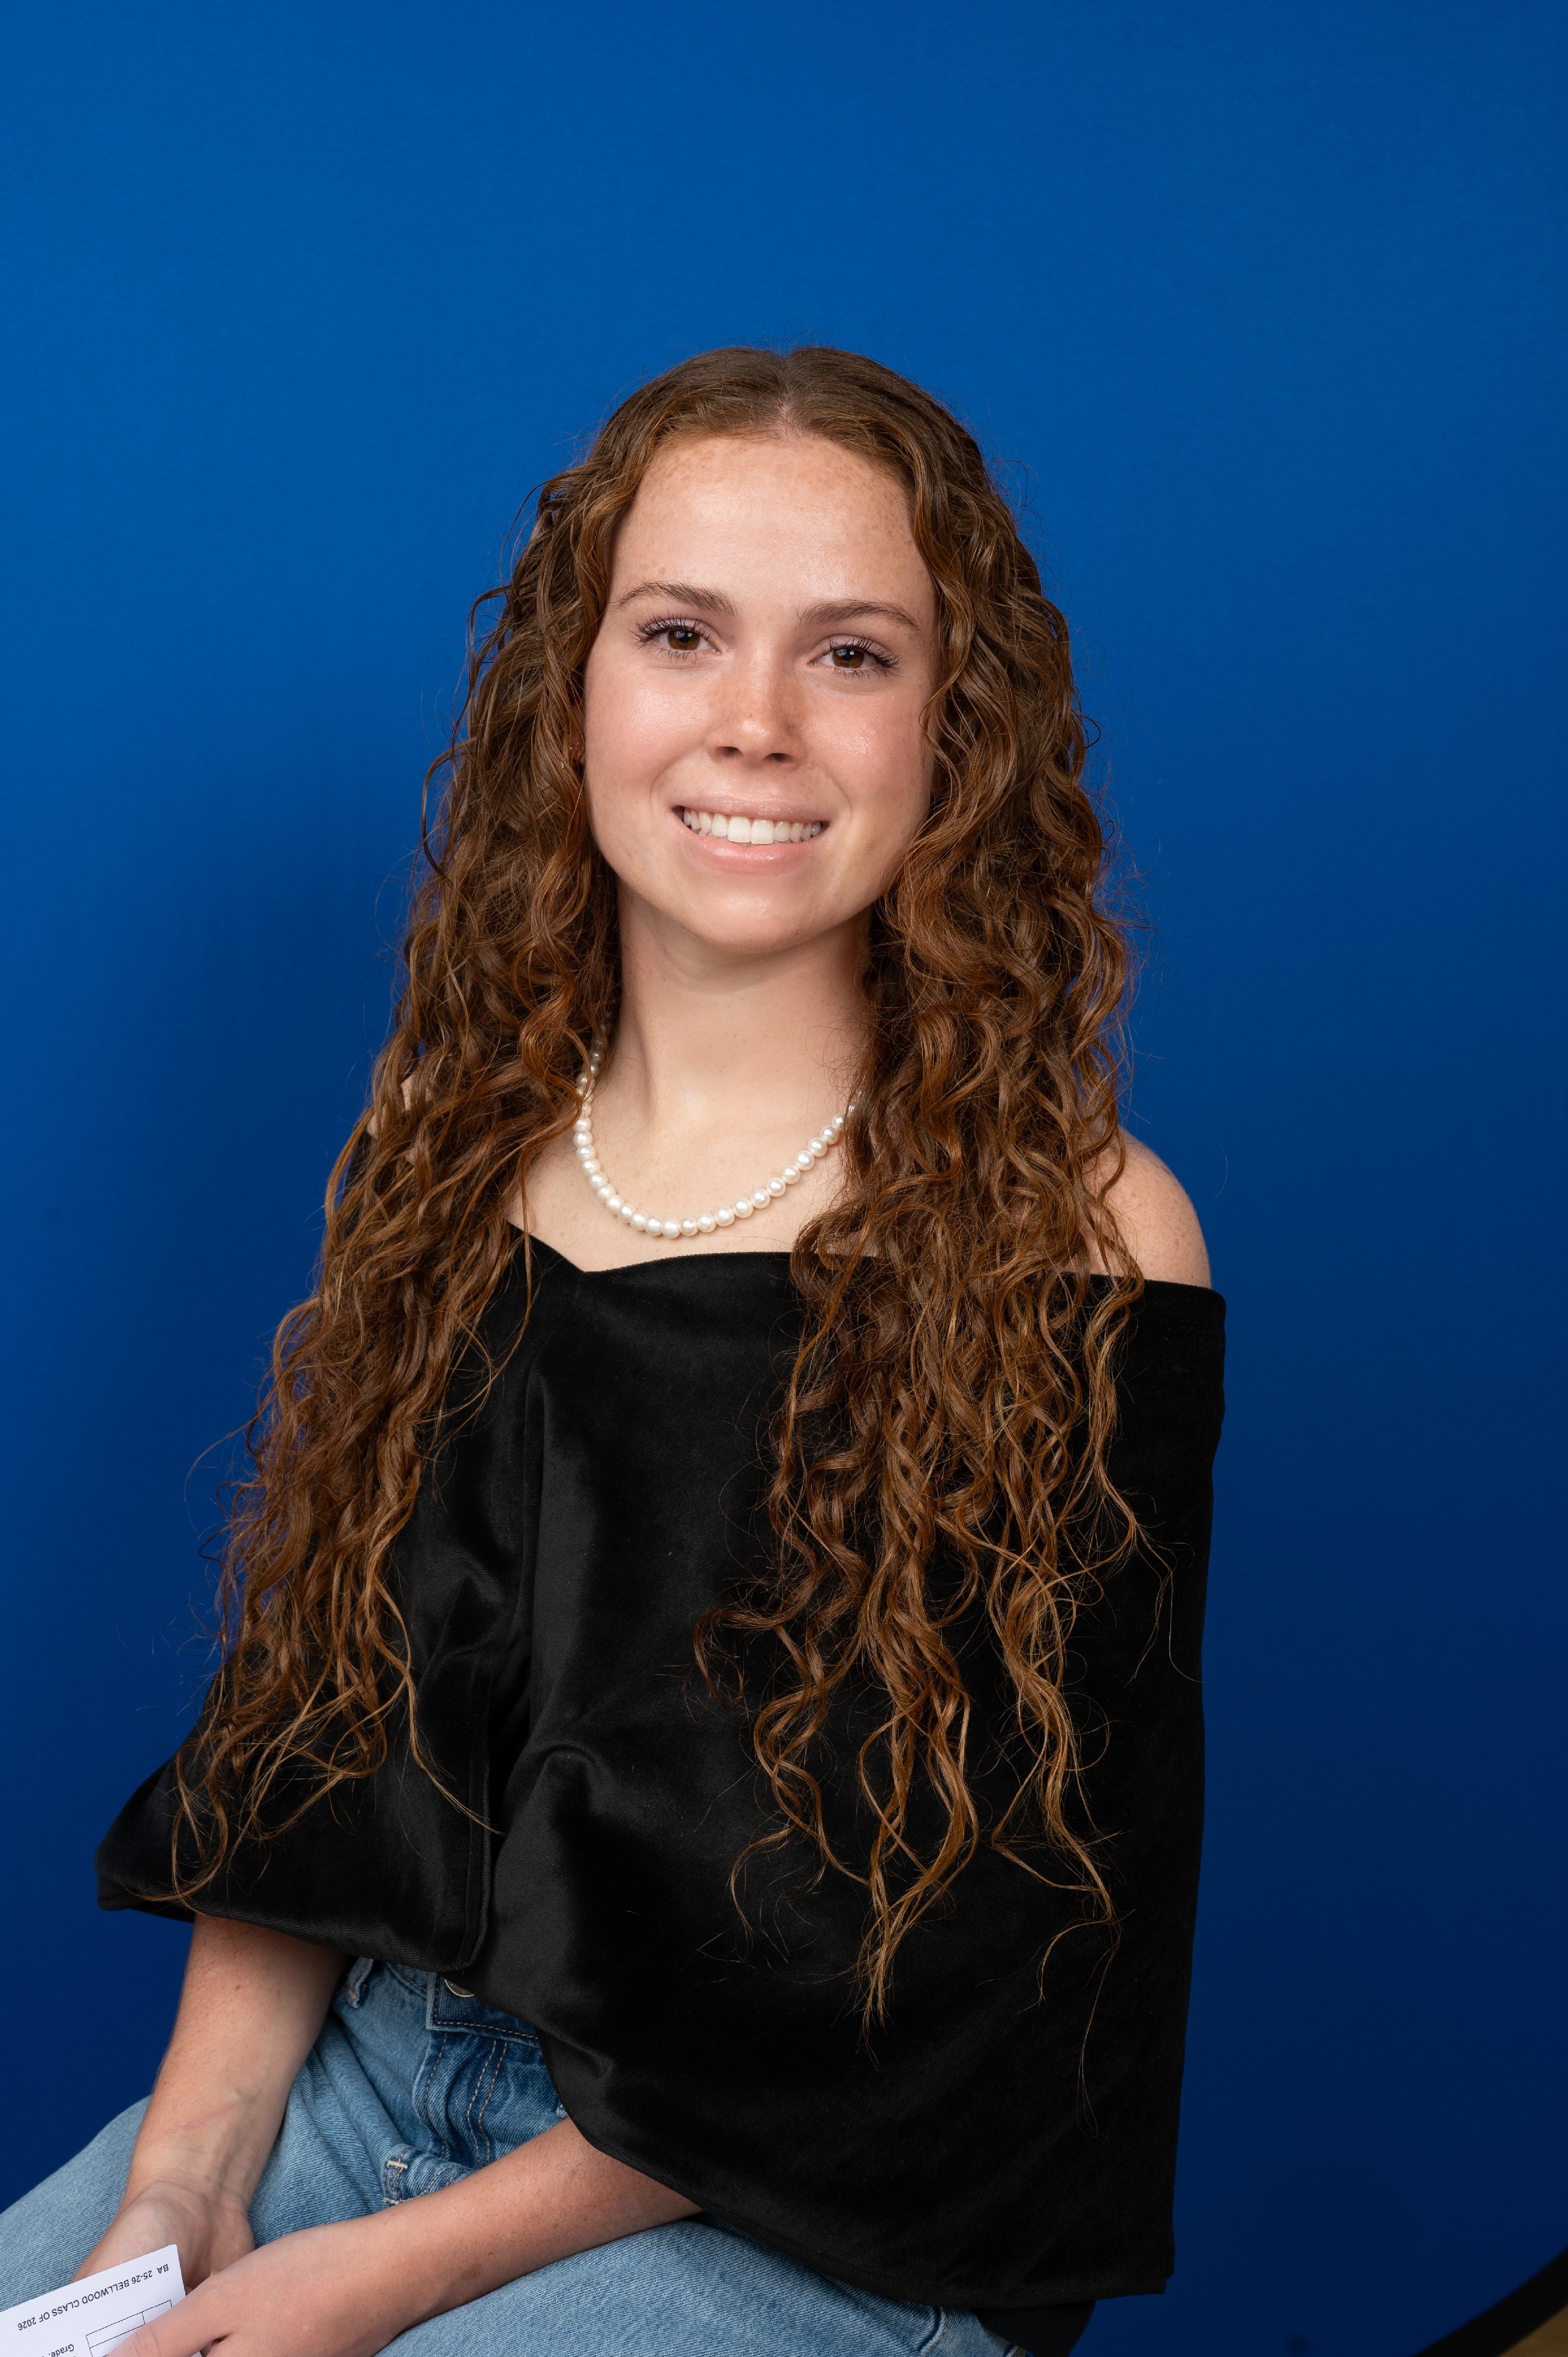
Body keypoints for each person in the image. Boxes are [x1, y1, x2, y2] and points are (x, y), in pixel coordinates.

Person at [0, 347, 1223, 2357]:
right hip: (381, 2081)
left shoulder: (1082, 1233)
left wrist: (384, 2275)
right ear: (575, 686)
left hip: (808, 2201)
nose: (756, 721)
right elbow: (324, 1739)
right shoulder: (444, 1145)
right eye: (682, 634)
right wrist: (189, 2180)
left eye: (851, 653)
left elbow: (934, 1966)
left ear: (956, 728)